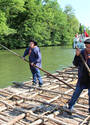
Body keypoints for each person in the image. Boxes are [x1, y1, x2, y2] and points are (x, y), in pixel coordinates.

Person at [66, 38, 90, 114]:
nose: (88, 48)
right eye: (87, 46)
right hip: (82, 77)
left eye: (89, 47)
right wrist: (77, 56)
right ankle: (70, 106)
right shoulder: (81, 53)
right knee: (76, 93)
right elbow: (75, 64)